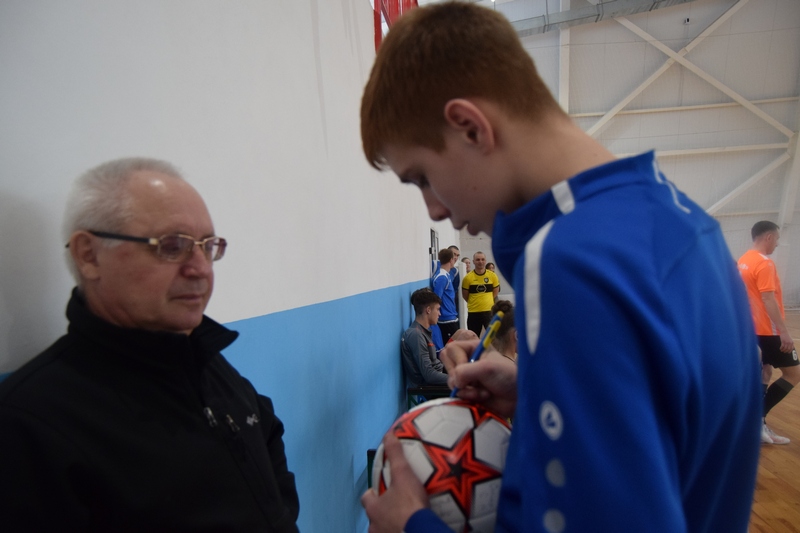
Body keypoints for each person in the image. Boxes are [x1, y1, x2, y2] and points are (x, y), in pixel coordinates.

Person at [359, 3, 761, 532]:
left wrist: (413, 525)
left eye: (422, 178)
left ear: (470, 127)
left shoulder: (571, 263)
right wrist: (540, 390)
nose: (434, 210)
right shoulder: (683, 223)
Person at [0, 158, 300, 531]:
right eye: (172, 246)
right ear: (89, 255)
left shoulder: (204, 362)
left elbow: (266, 440)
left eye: (208, 246)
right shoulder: (30, 425)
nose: (201, 269)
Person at [738, 220, 799, 445]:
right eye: (777, 239)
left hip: (752, 329)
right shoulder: (765, 263)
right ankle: (756, 420)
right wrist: (783, 331)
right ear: (769, 237)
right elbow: (768, 299)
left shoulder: (744, 261)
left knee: (766, 371)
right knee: (794, 374)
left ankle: (757, 424)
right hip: (769, 330)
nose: (777, 244)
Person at [401, 288, 449, 388]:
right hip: (430, 388)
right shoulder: (416, 335)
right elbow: (429, 375)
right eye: (438, 309)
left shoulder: (422, 331)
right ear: (428, 310)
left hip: (438, 377)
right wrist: (457, 378)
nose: (439, 314)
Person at [461, 251, 500, 335]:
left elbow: (495, 292)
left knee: (493, 337)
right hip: (473, 313)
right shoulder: (468, 278)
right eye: (478, 260)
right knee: (473, 337)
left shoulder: (492, 276)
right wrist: (475, 302)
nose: (480, 262)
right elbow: (465, 295)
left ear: (485, 261)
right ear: (473, 261)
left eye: (482, 259)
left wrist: (487, 301)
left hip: (489, 312)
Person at [432, 248, 459, 343]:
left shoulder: (445, 275)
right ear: (451, 260)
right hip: (446, 319)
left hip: (450, 317)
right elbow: (436, 298)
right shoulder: (442, 277)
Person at [447, 245, 462, 321]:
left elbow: (455, 291)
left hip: (450, 309)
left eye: (457, 255)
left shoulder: (455, 272)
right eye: (454, 254)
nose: (455, 257)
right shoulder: (437, 267)